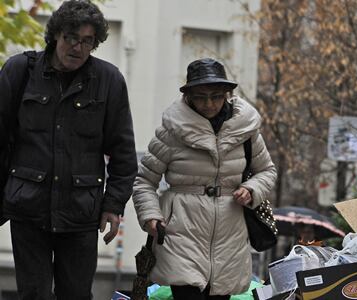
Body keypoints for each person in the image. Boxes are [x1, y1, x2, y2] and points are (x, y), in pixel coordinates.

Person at [0, 1, 137, 299]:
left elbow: (123, 151)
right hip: (28, 207)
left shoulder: (109, 80)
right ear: (56, 35)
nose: (77, 47)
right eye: (71, 38)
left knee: (75, 294)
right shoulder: (20, 70)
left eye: (87, 41)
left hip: (80, 213)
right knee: (33, 294)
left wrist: (114, 205)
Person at [133, 58, 277, 300]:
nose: (209, 103)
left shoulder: (247, 131)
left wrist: (251, 189)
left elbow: (267, 171)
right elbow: (145, 180)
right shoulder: (170, 132)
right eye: (200, 96)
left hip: (229, 234)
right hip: (181, 232)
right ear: (188, 96)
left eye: (216, 96)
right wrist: (150, 217)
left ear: (227, 95)